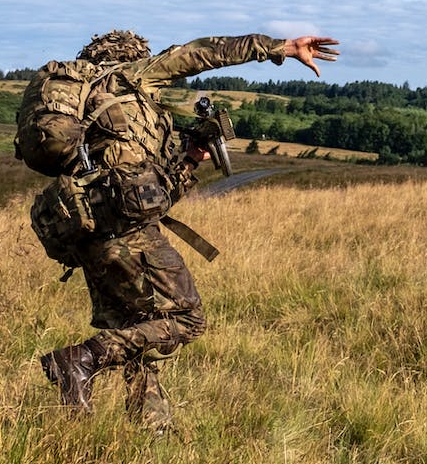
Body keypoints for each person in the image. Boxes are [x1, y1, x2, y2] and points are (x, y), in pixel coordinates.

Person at [37, 27, 339, 428]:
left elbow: (150, 194)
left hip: (85, 234)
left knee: (138, 330)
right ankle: (80, 360)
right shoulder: (132, 78)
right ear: (134, 56)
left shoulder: (85, 113)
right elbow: (204, 53)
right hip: (127, 235)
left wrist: (190, 157)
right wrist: (278, 48)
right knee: (187, 319)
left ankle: (137, 432)